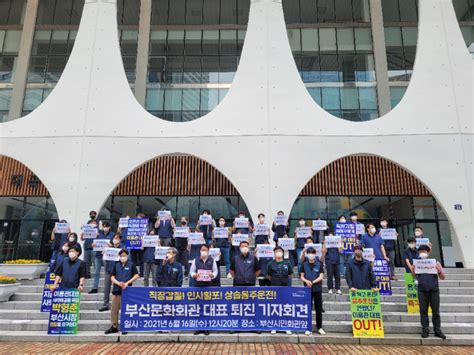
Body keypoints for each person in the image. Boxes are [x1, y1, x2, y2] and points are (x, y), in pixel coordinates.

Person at [105, 249, 140, 334]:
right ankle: (114, 326)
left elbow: (136, 275)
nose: (122, 257)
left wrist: (127, 283)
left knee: (125, 309)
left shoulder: (131, 264)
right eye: (121, 256)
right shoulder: (116, 265)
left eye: (124, 255)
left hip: (127, 290)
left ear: (127, 256)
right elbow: (112, 277)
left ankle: (125, 326)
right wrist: (118, 283)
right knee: (114, 309)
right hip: (116, 289)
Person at [415, 245, 446, 339]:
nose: (422, 253)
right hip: (422, 290)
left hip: (434, 290)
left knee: (435, 311)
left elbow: (443, 277)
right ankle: (425, 330)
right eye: (420, 251)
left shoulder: (435, 263)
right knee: (423, 311)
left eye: (424, 251)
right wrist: (413, 269)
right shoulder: (417, 263)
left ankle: (437, 330)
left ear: (428, 252)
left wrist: (439, 271)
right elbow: (414, 276)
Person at [190, 244, 218, 335]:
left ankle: (206, 327)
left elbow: (215, 271)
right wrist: (194, 275)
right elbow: (192, 271)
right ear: (200, 251)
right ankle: (198, 327)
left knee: (207, 307)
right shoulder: (196, 260)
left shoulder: (212, 260)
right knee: (198, 307)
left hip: (208, 286)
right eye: (202, 249)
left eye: (205, 249)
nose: (203, 251)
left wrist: (212, 275)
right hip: (198, 286)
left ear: (208, 251)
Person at [267, 246, 294, 335]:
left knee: (285, 307)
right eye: (277, 251)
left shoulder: (287, 263)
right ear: (274, 253)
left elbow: (290, 275)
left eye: (280, 251)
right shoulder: (271, 263)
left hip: (285, 288)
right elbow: (269, 276)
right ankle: (274, 326)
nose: (278, 252)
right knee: (275, 307)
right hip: (274, 288)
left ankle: (286, 326)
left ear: (283, 253)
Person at [300, 247, 326, 336]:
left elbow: (321, 276)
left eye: (312, 253)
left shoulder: (319, 263)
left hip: (317, 289)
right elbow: (302, 276)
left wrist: (313, 282)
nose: (311, 255)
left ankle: (319, 327)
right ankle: (308, 328)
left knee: (318, 309)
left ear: (315, 254)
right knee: (308, 308)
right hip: (307, 289)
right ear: (307, 254)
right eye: (309, 253)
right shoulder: (304, 264)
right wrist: (306, 281)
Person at [99, 233, 124, 312]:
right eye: (114, 238)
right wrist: (104, 254)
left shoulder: (123, 248)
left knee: (118, 288)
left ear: (120, 240)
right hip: (109, 270)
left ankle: (119, 304)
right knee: (106, 287)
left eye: (117, 238)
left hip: (118, 271)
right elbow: (104, 260)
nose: (115, 240)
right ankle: (105, 304)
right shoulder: (109, 248)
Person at [89, 222, 114, 294]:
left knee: (107, 272)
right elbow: (94, 244)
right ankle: (94, 287)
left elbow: (115, 245)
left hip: (107, 256)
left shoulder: (112, 235)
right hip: (98, 255)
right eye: (104, 226)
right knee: (96, 272)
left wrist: (111, 245)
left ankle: (107, 287)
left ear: (109, 227)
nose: (105, 228)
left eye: (107, 226)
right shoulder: (98, 234)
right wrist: (93, 245)